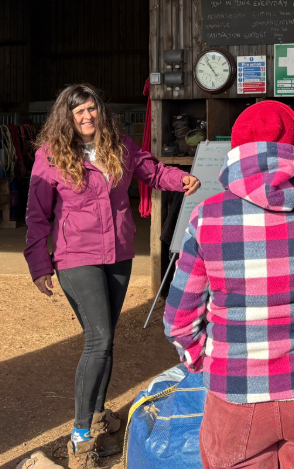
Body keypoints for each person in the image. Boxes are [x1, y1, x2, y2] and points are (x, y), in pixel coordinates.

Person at [163, 100, 294, 469]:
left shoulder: (207, 216)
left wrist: (205, 359)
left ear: (236, 150)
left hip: (235, 391)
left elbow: (179, 320)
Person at [25, 84, 198, 469]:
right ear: (67, 117)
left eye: (92, 109)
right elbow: (36, 214)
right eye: (79, 112)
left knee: (105, 338)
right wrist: (39, 263)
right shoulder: (50, 155)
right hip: (76, 256)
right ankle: (80, 436)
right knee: (98, 339)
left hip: (118, 253)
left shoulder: (118, 145)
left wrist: (180, 179)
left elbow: (152, 171)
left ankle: (99, 413)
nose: (88, 116)